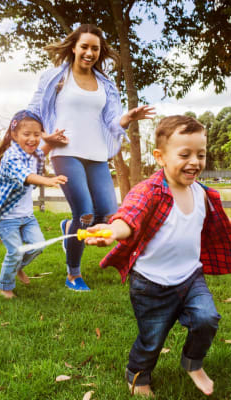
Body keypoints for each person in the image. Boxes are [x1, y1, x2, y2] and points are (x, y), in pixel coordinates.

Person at [85, 115, 231, 397]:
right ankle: (138, 376)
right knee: (152, 339)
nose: (195, 161)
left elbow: (211, 224)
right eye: (185, 154)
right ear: (160, 157)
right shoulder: (149, 191)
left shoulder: (203, 194)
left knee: (207, 318)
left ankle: (193, 363)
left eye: (201, 154)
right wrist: (112, 230)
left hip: (190, 277)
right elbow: (129, 217)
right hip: (150, 284)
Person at [27, 24, 155, 291]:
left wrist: (127, 118)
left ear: (100, 51)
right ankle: (73, 274)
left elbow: (111, 121)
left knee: (109, 215)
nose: (89, 52)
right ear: (73, 47)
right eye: (84, 46)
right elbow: (35, 111)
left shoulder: (105, 84)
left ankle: (68, 228)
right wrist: (45, 138)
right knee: (85, 214)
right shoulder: (56, 78)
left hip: (96, 153)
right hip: (66, 152)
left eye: (94, 48)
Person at [0, 110, 68, 299]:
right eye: (26, 134)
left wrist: (51, 141)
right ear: (14, 135)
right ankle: (4, 287)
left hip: (25, 215)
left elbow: (42, 151)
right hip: (5, 215)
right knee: (14, 251)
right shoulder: (11, 156)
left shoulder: (32, 153)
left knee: (38, 245)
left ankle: (16, 267)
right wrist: (47, 180)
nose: (32, 139)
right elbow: (26, 175)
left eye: (36, 134)